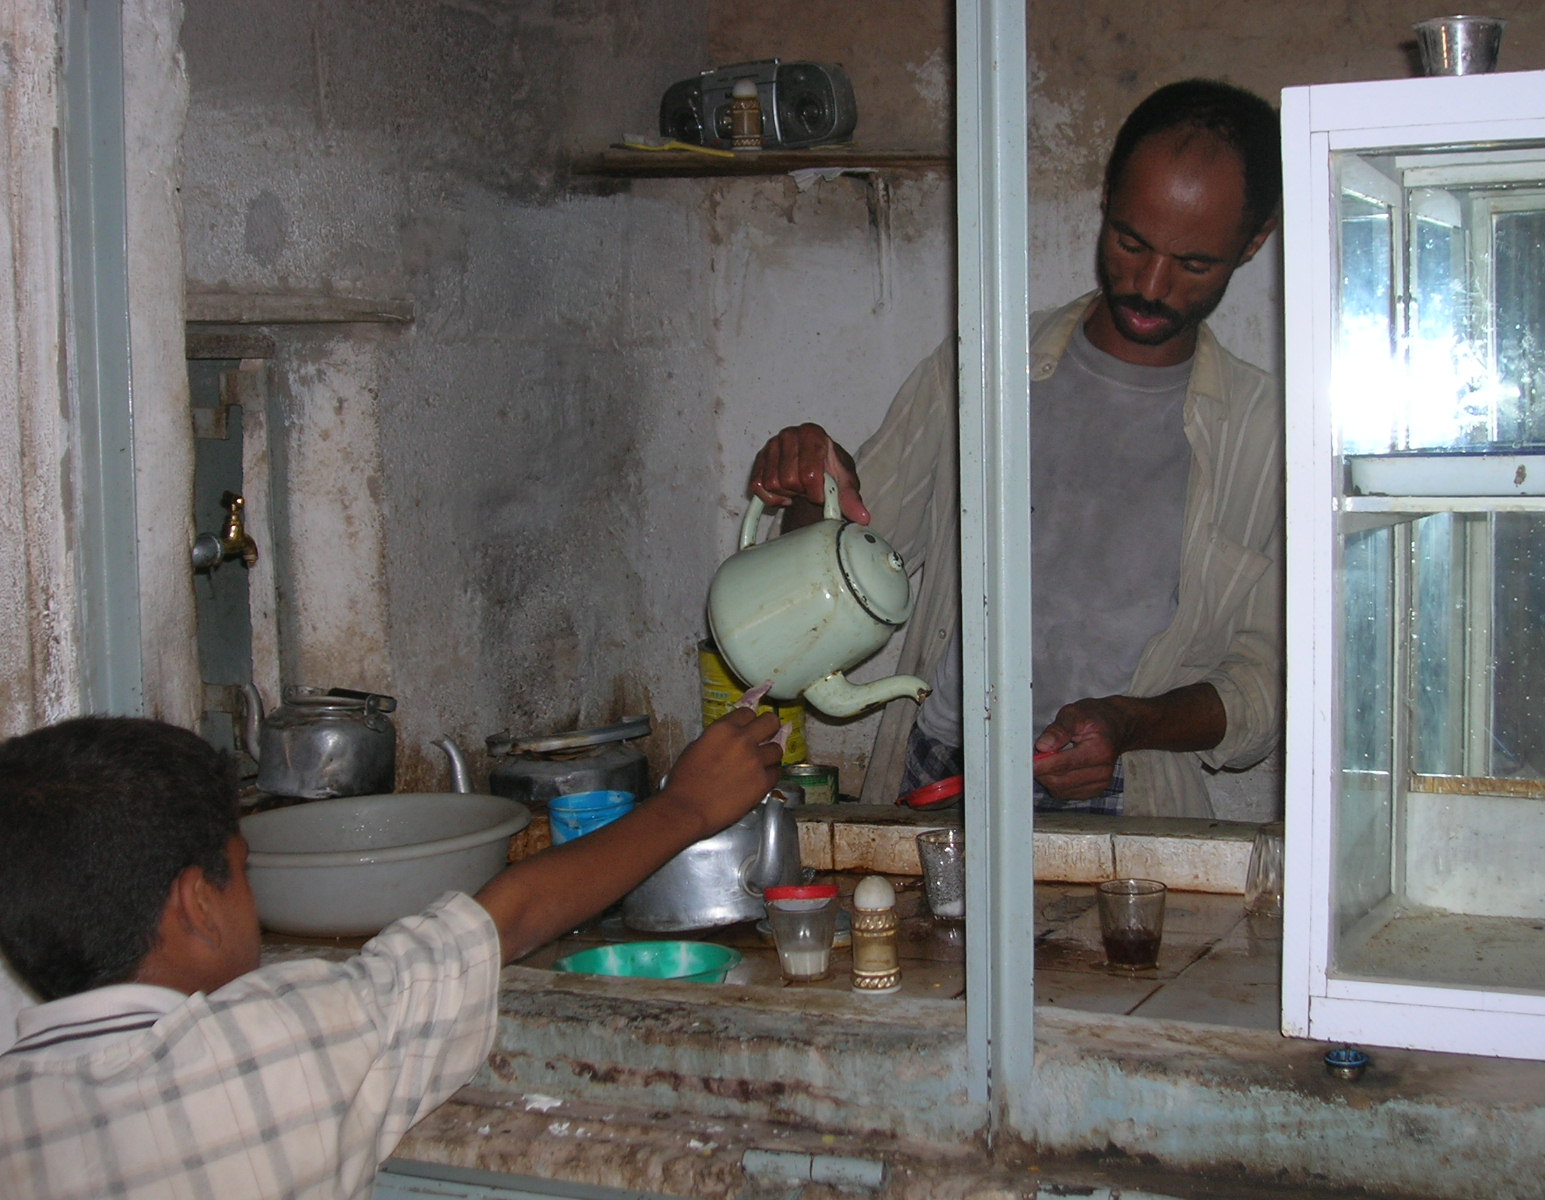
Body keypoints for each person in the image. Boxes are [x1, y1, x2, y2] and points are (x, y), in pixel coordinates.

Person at [749, 79, 1284, 818]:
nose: (1150, 284)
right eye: (1130, 242)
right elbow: (844, 574)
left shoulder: (1268, 436)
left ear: (1253, 242)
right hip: (945, 775)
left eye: (1195, 264)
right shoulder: (981, 370)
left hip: (1131, 797)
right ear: (1106, 198)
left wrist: (1130, 723)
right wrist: (816, 482)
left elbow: (1265, 685)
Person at [0, 708, 780, 1199]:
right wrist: (688, 805)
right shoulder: (271, 1048)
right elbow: (508, 918)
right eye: (242, 871)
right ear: (198, 905)